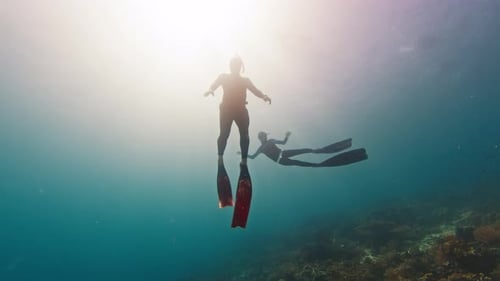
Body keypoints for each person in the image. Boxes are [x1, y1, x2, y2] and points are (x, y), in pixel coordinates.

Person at [204, 56, 271, 166]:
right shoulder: (223, 77)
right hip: (226, 110)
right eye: (233, 65)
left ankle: (244, 160)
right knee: (224, 134)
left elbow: (255, 91)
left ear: (240, 67)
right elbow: (214, 85)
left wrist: (264, 96)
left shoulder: (245, 81)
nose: (235, 67)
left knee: (244, 135)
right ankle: (220, 158)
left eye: (237, 65)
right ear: (230, 66)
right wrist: (210, 90)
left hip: (241, 111)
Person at [245, 131, 368, 167]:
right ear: (260, 138)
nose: (264, 137)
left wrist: (286, 136)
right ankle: (356, 156)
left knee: (309, 149)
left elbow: (283, 142)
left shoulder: (270, 141)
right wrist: (243, 154)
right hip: (281, 160)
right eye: (263, 136)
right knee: (311, 164)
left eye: (265, 135)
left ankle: (324, 150)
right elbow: (252, 157)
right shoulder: (261, 148)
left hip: (284, 153)